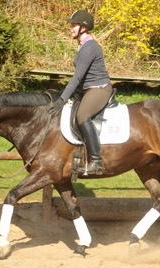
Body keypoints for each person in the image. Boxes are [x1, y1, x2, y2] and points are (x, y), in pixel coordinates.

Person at [49, 10, 112, 175]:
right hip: (88, 89)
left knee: (82, 115)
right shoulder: (83, 46)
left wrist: (62, 99)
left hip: (99, 89)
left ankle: (96, 161)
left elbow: (76, 78)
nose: (70, 28)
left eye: (73, 25)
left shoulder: (89, 48)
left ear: (83, 27)